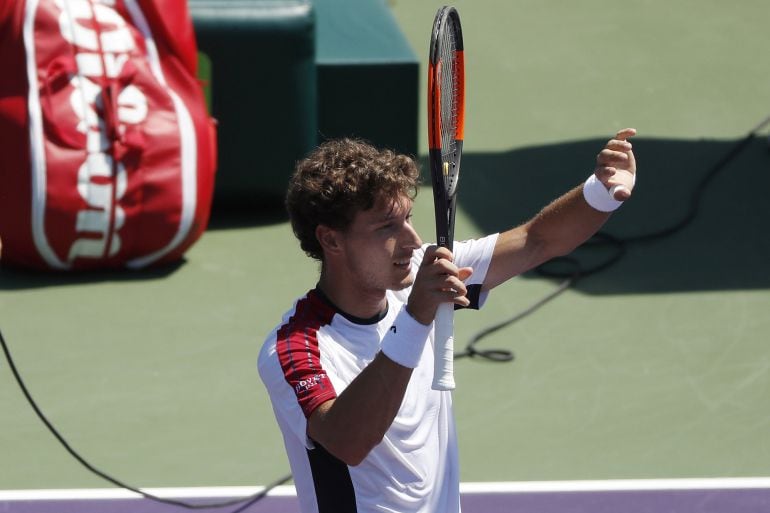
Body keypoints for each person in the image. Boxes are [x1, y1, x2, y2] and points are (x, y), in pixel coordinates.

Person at [258, 129, 637, 513]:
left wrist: (600, 192)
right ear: (332, 240)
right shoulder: (294, 348)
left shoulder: (422, 272)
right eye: (386, 227)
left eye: (407, 217)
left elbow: (536, 240)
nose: (411, 240)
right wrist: (416, 317)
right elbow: (347, 443)